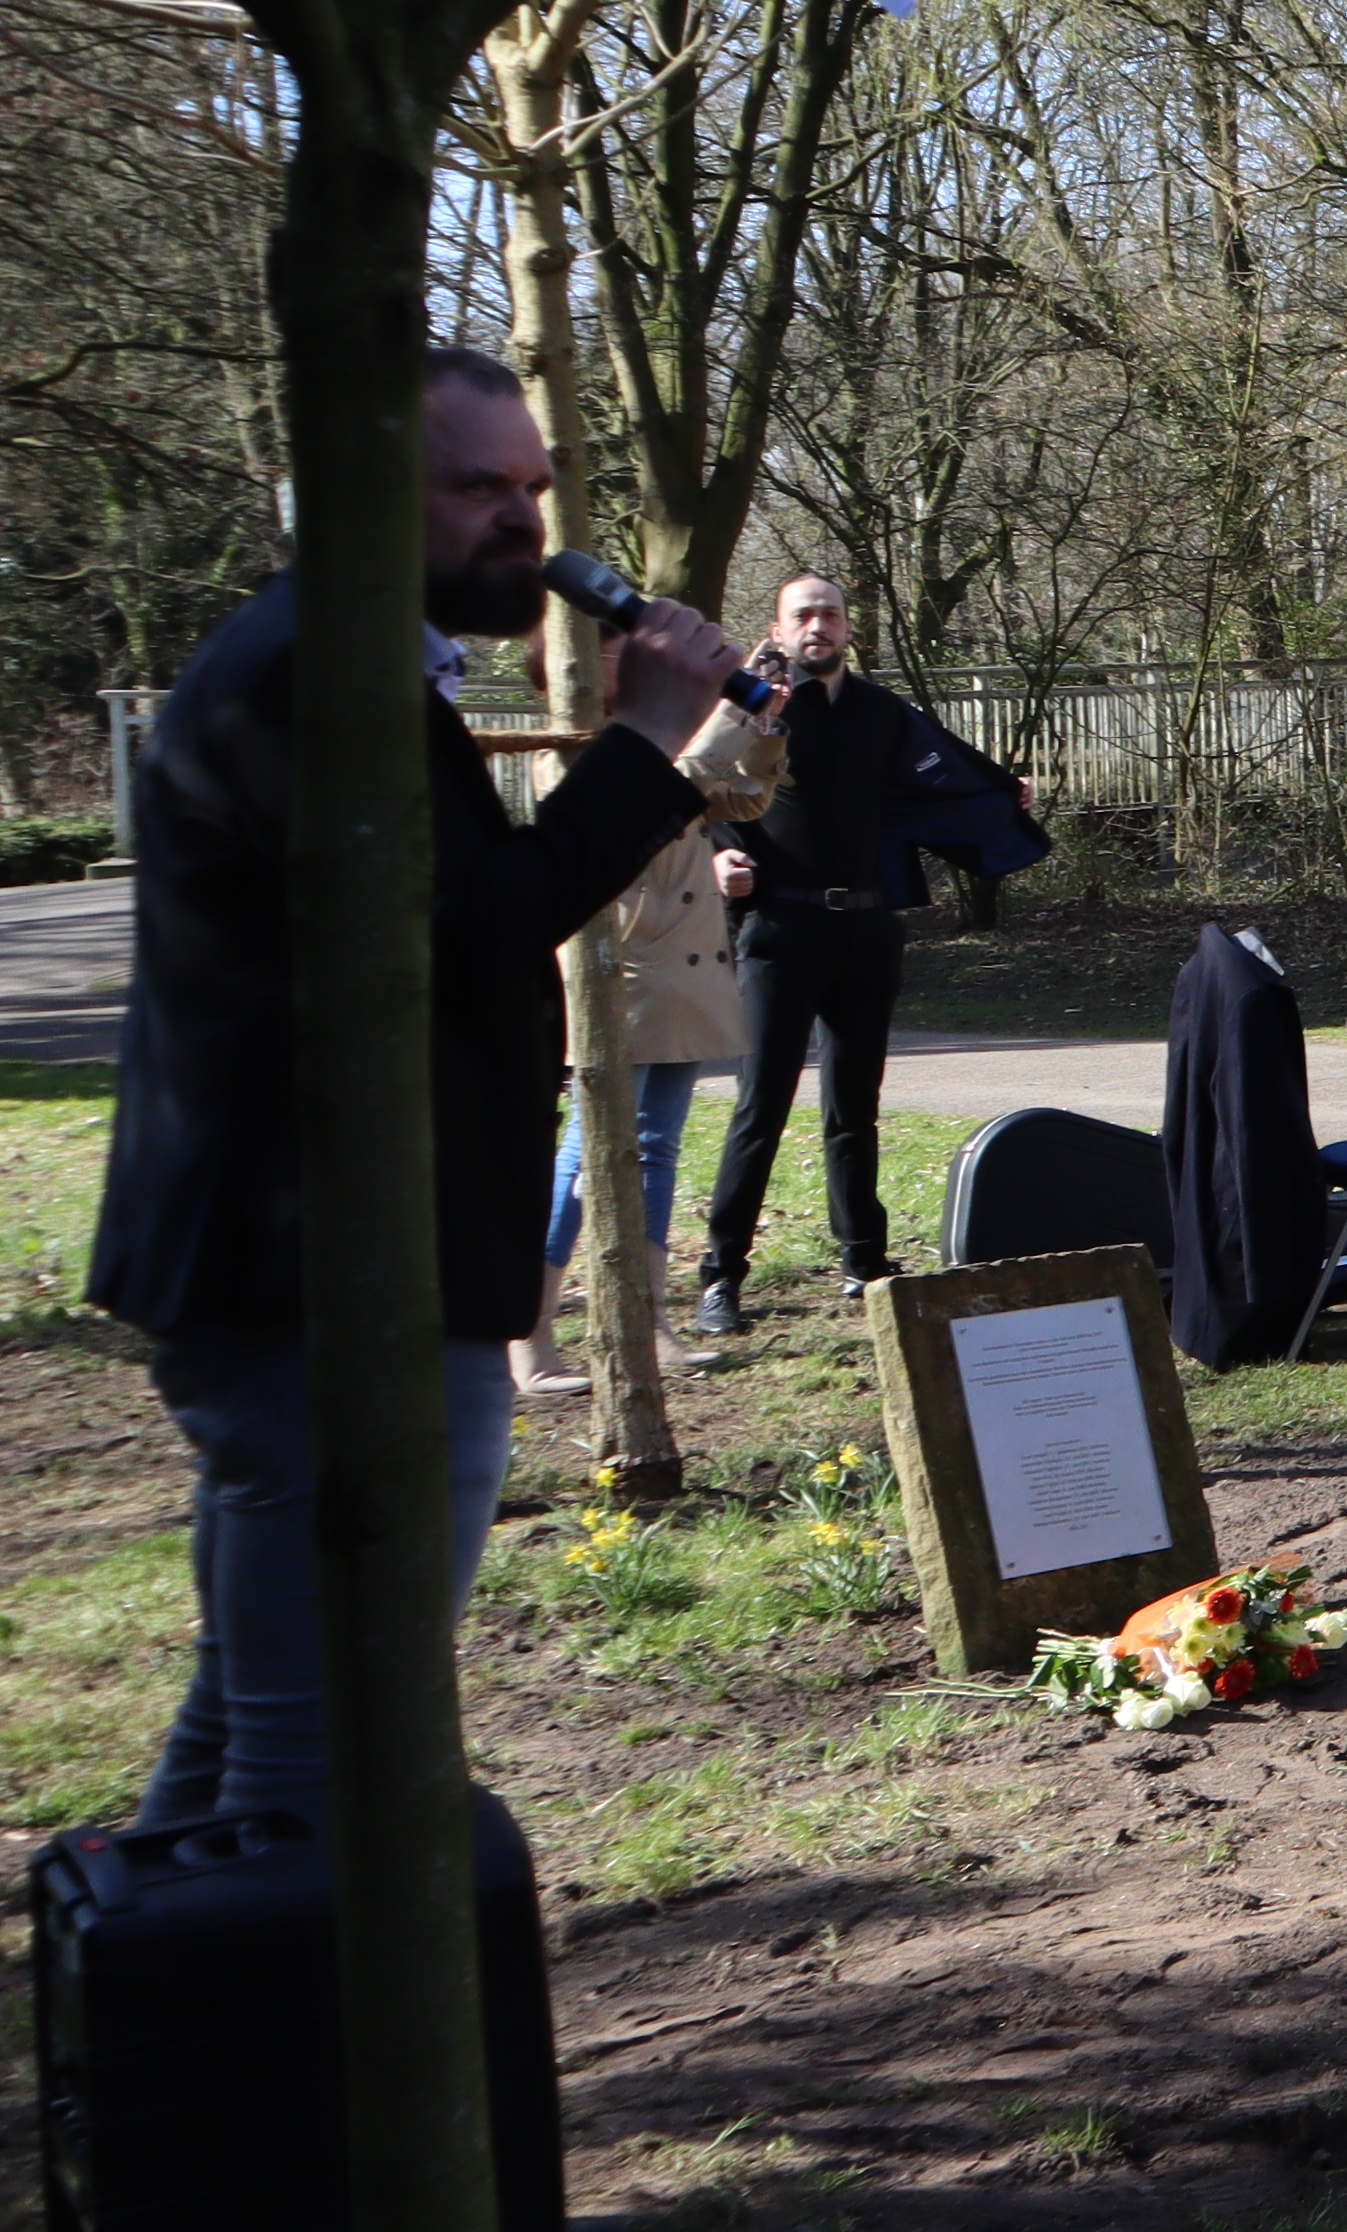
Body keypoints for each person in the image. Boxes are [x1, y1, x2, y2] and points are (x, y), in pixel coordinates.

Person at [97, 349, 739, 1826]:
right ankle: (308, 2051)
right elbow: (470, 936)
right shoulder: (313, 682)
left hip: (341, 1274)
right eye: (475, 488)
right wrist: (645, 742)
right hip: (327, 1287)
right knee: (316, 1758)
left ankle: (180, 2029)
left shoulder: (346, 660)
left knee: (256, 1734)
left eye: (533, 487)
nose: (524, 522)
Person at [696, 571, 933, 1327]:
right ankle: (721, 1274)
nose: (818, 626)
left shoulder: (881, 711)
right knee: (760, 1104)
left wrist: (1004, 796)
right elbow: (701, 787)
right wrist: (717, 859)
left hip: (867, 930)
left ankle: (864, 1261)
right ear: (779, 625)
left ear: (848, 625)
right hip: (779, 930)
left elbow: (937, 782)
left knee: (854, 1106)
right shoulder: (751, 703)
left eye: (830, 613)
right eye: (803, 615)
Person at [530, 692, 783, 1391]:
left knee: (658, 1149)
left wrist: (766, 731)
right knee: (587, 1151)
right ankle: (531, 1334)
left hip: (682, 976)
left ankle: (649, 1323)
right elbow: (670, 791)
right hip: (622, 971)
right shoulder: (580, 750)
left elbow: (744, 800)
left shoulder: (665, 739)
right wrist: (732, 714)